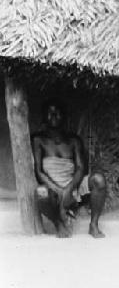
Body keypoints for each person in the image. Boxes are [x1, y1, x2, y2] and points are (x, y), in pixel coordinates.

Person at [32, 99, 107, 238]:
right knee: (41, 192)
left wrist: (69, 189)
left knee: (99, 179)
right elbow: (39, 171)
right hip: (52, 190)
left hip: (74, 187)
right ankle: (58, 224)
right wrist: (60, 191)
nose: (54, 116)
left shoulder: (74, 140)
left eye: (57, 113)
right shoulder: (38, 140)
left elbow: (81, 168)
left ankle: (93, 225)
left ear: (64, 116)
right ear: (44, 117)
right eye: (50, 113)